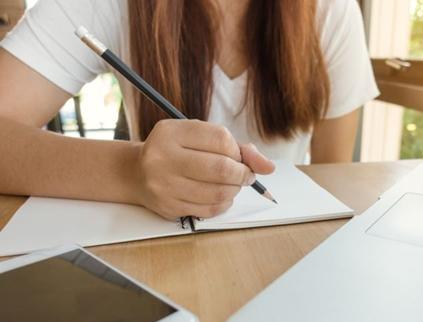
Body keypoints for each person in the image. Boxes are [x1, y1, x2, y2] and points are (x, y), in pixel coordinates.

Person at [0, 0, 379, 220]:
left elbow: (335, 175)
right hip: (153, 240)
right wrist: (128, 171)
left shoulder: (330, 9)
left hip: (282, 242)